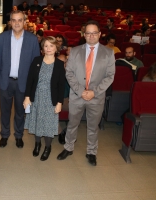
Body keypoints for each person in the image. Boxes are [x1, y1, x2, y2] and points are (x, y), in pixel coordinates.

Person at [56, 20, 115, 166]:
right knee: (72, 124)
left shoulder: (108, 53)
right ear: (84, 34)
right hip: (77, 96)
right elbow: (68, 73)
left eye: (94, 33)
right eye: (88, 33)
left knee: (93, 126)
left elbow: (110, 76)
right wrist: (80, 91)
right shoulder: (75, 51)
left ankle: (91, 152)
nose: (91, 36)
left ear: (100, 34)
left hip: (96, 97)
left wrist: (94, 92)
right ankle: (68, 148)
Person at [0, 10, 40, 148]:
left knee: (20, 113)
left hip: (23, 83)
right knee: (5, 112)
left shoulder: (32, 39)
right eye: (14, 20)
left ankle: (19, 136)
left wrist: (32, 86)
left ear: (25, 22)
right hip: (5, 81)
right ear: (10, 22)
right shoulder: (2, 37)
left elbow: (35, 65)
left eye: (20, 20)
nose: (17, 23)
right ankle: (4, 134)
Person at [24, 36, 65, 161]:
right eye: (46, 46)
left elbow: (61, 85)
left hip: (51, 99)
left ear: (56, 48)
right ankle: (37, 144)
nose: (48, 48)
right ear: (42, 48)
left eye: (51, 46)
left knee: (48, 125)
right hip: (36, 98)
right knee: (36, 122)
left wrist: (59, 103)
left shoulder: (59, 64)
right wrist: (27, 97)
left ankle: (47, 147)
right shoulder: (37, 60)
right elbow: (30, 80)